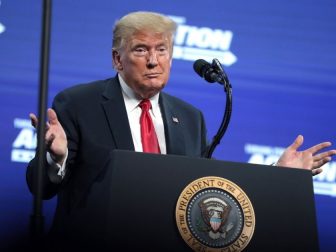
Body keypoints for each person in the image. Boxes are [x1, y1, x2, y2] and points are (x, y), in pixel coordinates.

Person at [26, 11, 336, 250]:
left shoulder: (190, 118)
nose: (153, 61)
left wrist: (279, 174)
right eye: (140, 50)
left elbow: (210, 191)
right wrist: (56, 158)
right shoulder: (79, 103)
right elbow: (41, 188)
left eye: (161, 50)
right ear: (117, 59)